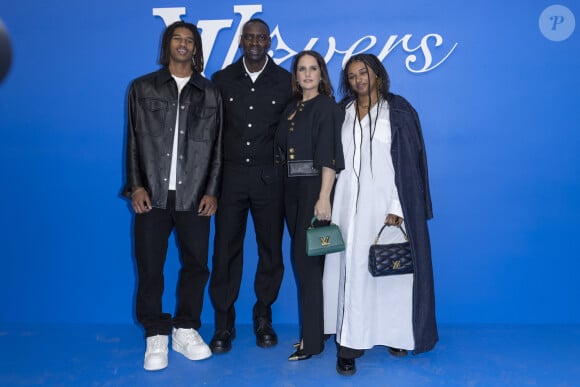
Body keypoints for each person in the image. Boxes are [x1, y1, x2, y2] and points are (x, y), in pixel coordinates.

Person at [322, 53, 438, 376]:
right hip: (346, 207)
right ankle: (350, 344)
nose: (359, 80)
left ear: (378, 75)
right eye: (353, 75)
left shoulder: (398, 111)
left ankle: (395, 334)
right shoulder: (341, 111)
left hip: (384, 207)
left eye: (364, 73)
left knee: (391, 275)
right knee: (353, 274)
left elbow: (410, 165)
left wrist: (398, 207)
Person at [122, 21, 223, 371]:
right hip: (152, 194)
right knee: (150, 266)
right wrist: (136, 186)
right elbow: (134, 140)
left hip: (195, 196)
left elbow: (217, 148)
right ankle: (155, 333)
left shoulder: (210, 92)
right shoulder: (142, 88)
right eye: (177, 39)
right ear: (167, 46)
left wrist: (212, 191)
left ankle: (185, 328)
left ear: (196, 48)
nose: (183, 44)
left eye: (189, 40)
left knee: (197, 265)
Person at [208, 18, 292, 353]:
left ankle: (263, 316)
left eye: (261, 37)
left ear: (269, 42)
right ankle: (224, 322)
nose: (255, 42)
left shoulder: (286, 82)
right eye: (250, 37)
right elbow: (211, 135)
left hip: (269, 179)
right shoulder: (223, 80)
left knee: (270, 250)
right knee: (226, 250)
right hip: (229, 180)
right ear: (242, 41)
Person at [275, 50, 345, 361]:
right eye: (301, 69)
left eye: (312, 69)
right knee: (307, 266)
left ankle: (313, 342)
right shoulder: (292, 108)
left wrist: (323, 196)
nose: (307, 74)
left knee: (307, 265)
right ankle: (312, 332)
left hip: (312, 189)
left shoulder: (326, 107)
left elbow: (329, 155)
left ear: (321, 74)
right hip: (289, 191)